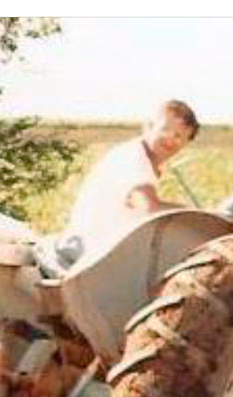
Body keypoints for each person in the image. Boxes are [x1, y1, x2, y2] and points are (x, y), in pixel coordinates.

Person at [39, 99, 200, 274]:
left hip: (102, 248)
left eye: (179, 136)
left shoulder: (143, 159)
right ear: (148, 127)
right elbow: (148, 208)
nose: (170, 139)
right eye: (165, 129)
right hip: (90, 251)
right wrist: (201, 216)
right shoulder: (134, 158)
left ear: (186, 143)